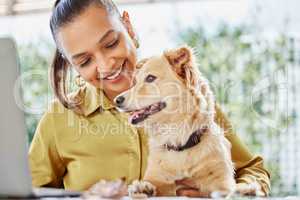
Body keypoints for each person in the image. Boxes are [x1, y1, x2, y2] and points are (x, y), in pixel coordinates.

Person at [29, 0, 271, 197]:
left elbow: (252, 171)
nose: (105, 65)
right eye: (84, 61)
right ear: (72, 65)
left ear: (128, 27)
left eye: (111, 43)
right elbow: (23, 194)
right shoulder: (58, 120)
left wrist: (222, 193)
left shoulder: (188, 100)